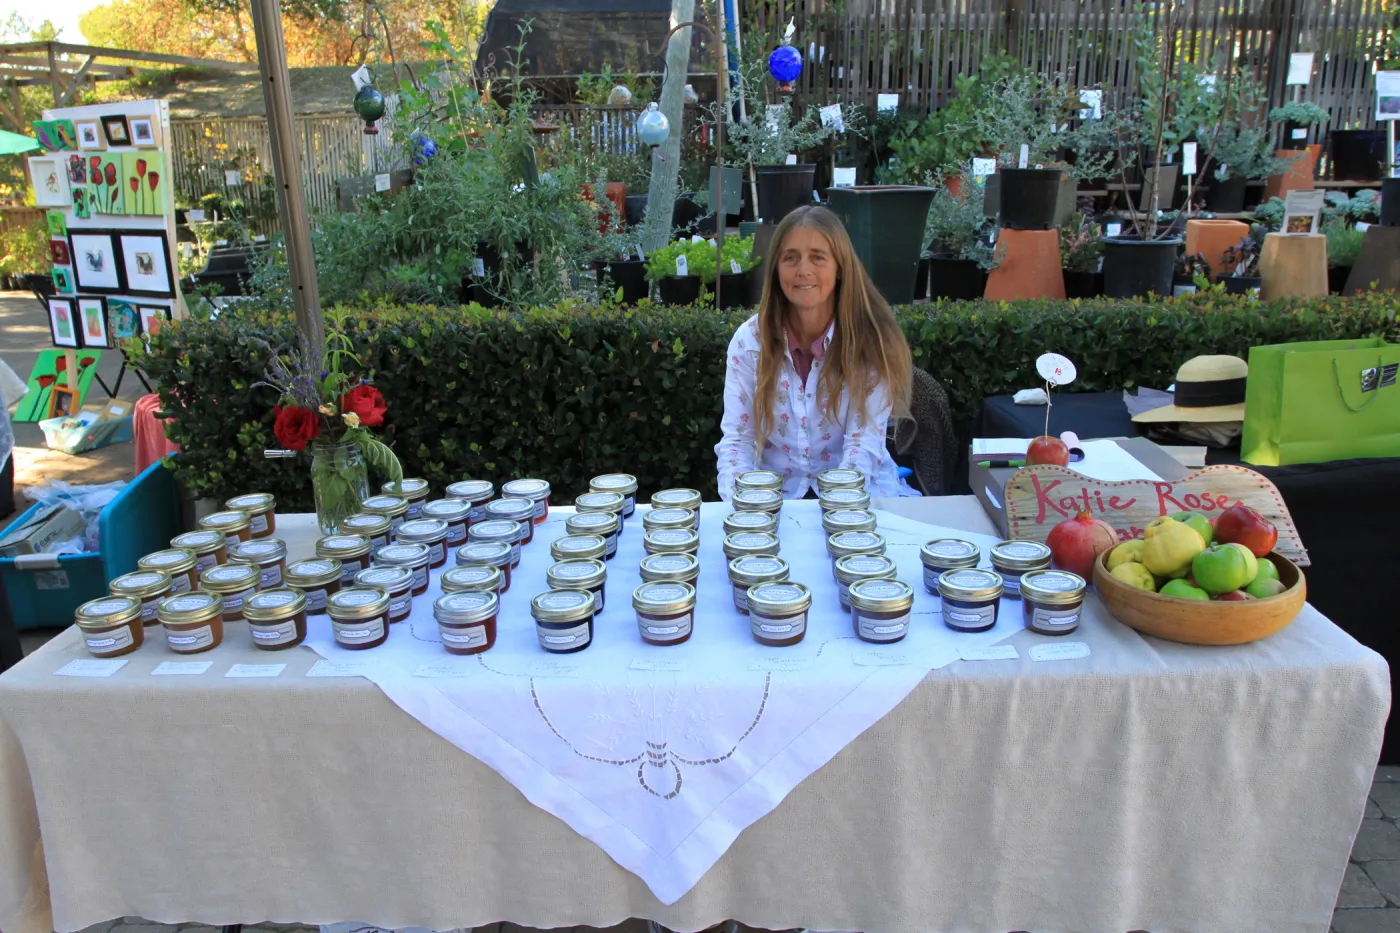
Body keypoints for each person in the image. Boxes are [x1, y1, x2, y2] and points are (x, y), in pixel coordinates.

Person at [715, 205, 912, 500]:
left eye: (817, 257)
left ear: (840, 267)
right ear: (776, 268)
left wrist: (839, 515)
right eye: (790, 258)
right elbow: (737, 441)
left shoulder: (870, 342)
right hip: (774, 498)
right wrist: (746, 511)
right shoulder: (748, 342)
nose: (802, 269)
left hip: (860, 494)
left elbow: (862, 444)